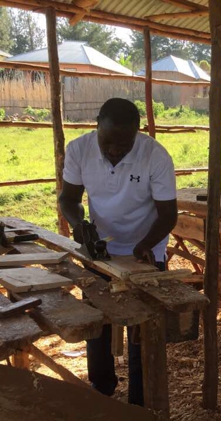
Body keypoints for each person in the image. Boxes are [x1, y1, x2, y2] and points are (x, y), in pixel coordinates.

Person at [59, 98, 178, 405]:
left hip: (146, 251)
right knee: (97, 326)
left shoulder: (155, 156)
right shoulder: (78, 150)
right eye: (108, 141)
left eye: (124, 145)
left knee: (142, 333)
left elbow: (168, 215)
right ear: (96, 125)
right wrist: (79, 224)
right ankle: (103, 391)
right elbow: (69, 199)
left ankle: (140, 404)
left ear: (137, 134)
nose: (115, 150)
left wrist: (144, 246)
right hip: (100, 250)